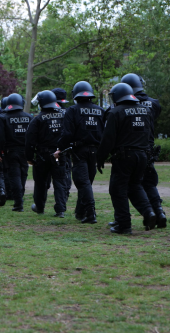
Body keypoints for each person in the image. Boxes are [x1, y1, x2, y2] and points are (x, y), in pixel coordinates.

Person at [96, 83, 157, 234]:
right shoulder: (146, 111)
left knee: (117, 189)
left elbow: (107, 139)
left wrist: (100, 158)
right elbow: (150, 134)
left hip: (124, 156)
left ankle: (123, 224)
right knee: (135, 186)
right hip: (142, 155)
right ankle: (149, 213)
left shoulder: (115, 112)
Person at [121, 73, 166, 228]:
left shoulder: (127, 104)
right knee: (149, 183)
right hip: (149, 150)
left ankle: (144, 214)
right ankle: (159, 213)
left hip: (132, 150)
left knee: (128, 185)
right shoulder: (154, 104)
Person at [57, 81, 105, 223]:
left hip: (79, 151)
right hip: (95, 151)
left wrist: (60, 147)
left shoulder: (72, 110)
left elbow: (67, 133)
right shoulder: (101, 110)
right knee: (87, 182)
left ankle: (91, 213)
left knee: (82, 182)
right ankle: (80, 212)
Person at [25, 91, 67, 217]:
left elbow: (29, 140)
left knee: (41, 182)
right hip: (60, 154)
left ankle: (39, 207)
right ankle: (60, 210)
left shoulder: (37, 119)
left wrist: (29, 157)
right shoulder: (64, 116)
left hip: (43, 156)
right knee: (60, 182)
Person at [1, 93, 32, 211]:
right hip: (25, 150)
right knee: (23, 175)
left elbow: (0, 137)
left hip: (11, 151)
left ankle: (18, 203)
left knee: (14, 176)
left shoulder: (3, 118)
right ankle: (20, 197)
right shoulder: (29, 117)